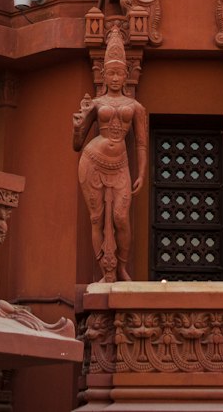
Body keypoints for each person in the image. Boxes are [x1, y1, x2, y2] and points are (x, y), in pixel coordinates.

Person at [72, 26, 147, 282]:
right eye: (111, 73)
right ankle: (106, 272)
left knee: (120, 218)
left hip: (121, 164)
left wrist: (143, 172)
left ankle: (121, 265)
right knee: (97, 218)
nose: (115, 78)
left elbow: (141, 143)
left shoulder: (135, 107)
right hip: (93, 160)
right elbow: (78, 143)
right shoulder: (96, 104)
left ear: (126, 75)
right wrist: (78, 124)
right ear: (104, 75)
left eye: (119, 73)